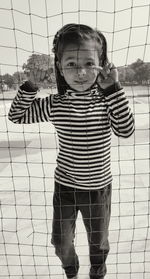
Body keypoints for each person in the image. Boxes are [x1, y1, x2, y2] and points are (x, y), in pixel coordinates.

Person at [8, 23, 134, 279]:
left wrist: (113, 90)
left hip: (99, 189)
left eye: (89, 63)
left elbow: (125, 130)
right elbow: (17, 115)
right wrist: (31, 86)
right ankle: (71, 271)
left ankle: (97, 271)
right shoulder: (55, 104)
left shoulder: (107, 100)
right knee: (60, 242)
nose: (81, 72)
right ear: (59, 67)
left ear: (102, 64)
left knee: (99, 242)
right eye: (72, 64)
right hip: (65, 186)